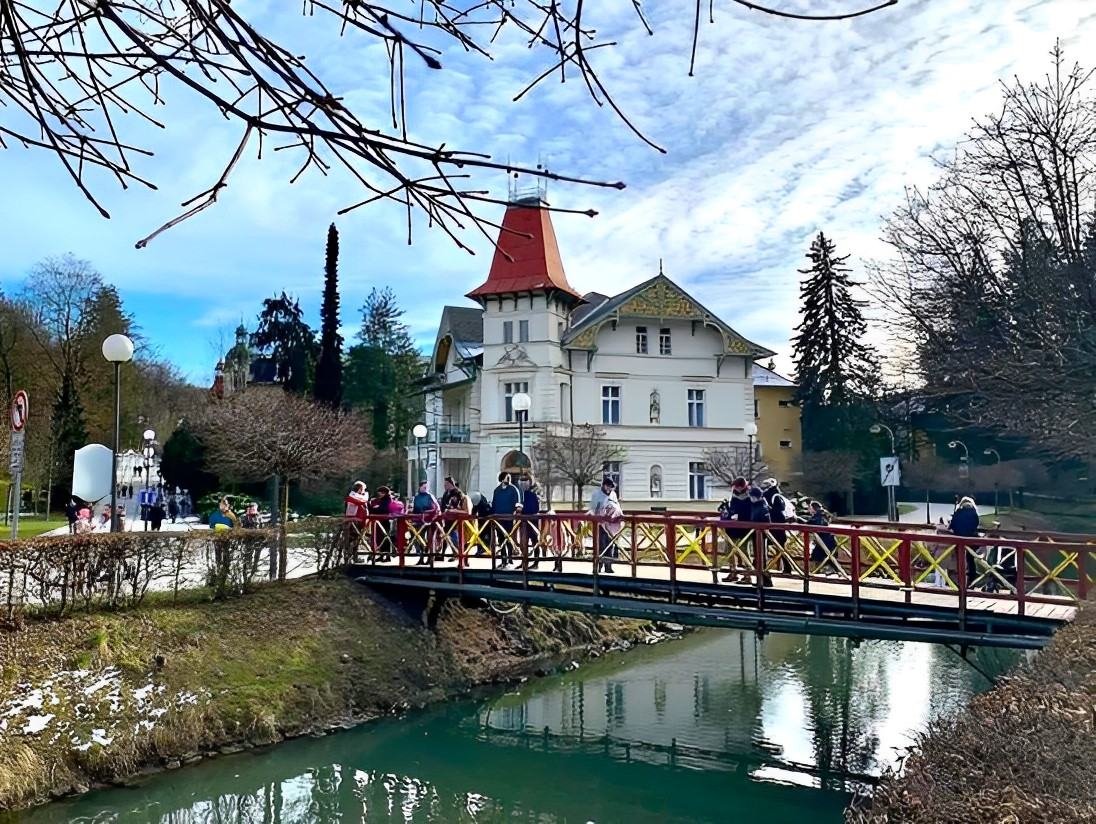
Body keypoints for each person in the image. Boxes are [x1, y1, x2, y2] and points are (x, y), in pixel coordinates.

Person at [588, 475, 623, 573]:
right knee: (601, 544)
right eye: (608, 486)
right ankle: (598, 566)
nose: (609, 489)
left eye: (611, 487)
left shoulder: (613, 494)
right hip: (599, 523)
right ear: (603, 486)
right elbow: (593, 508)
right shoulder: (596, 494)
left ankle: (608, 566)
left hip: (611, 523)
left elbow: (617, 506)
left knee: (610, 544)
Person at [720, 478, 753, 583]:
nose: (734, 488)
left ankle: (748, 574)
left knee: (744, 551)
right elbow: (732, 508)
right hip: (732, 526)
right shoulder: (733, 495)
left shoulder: (750, 496)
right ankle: (732, 571)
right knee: (728, 550)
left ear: (741, 486)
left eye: (736, 486)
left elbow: (750, 511)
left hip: (744, 527)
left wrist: (741, 517)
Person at [947, 496, 981, 588]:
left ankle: (958, 581)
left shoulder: (958, 512)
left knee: (959, 560)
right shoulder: (974, 513)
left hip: (958, 539)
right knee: (971, 560)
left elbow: (952, 525)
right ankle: (971, 582)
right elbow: (976, 524)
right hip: (970, 539)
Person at [490, 472, 522, 568]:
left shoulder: (513, 489)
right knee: (501, 539)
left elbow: (517, 502)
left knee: (509, 537)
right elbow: (494, 503)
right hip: (498, 518)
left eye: (509, 478)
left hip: (509, 518)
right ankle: (503, 559)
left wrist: (515, 512)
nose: (508, 479)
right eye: (506, 477)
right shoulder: (497, 491)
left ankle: (510, 558)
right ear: (502, 478)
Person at [761, 478, 793, 572]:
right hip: (779, 524)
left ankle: (763, 568)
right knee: (780, 547)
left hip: (772, 523)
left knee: (765, 546)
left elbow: (774, 509)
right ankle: (787, 567)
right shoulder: (777, 495)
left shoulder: (767, 495)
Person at [748, 486, 773, 585]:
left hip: (761, 534)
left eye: (752, 497)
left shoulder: (763, 507)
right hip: (755, 533)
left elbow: (767, 522)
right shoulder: (756, 505)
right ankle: (761, 580)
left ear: (756, 497)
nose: (751, 499)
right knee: (758, 557)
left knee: (761, 557)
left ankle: (765, 580)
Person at [440, 477, 471, 557]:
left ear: (450, 484)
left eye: (446, 484)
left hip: (456, 520)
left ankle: (459, 554)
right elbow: (443, 505)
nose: (445, 486)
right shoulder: (445, 494)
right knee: (446, 535)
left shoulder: (458, 493)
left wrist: (453, 510)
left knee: (454, 536)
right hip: (447, 518)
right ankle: (448, 553)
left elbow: (462, 506)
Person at [807, 501, 840, 574]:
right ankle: (837, 571)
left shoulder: (816, 518)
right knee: (829, 558)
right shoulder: (824, 515)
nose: (808, 510)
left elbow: (809, 524)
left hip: (823, 542)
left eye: (810, 508)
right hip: (830, 541)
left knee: (817, 556)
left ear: (813, 509)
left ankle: (815, 572)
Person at [520, 476, 542, 568]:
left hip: (532, 521)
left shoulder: (533, 493)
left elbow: (536, 508)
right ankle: (525, 562)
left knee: (534, 541)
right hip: (524, 521)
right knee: (523, 542)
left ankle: (535, 562)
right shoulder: (523, 494)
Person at [368, 486, 394, 561]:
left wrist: (375, 508)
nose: (378, 494)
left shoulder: (387, 500)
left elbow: (383, 509)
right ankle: (382, 554)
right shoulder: (382, 500)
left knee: (386, 538)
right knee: (381, 538)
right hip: (381, 521)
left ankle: (387, 555)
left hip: (385, 521)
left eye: (380, 493)